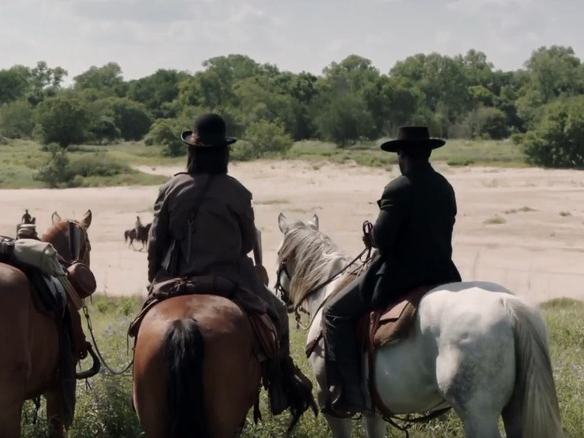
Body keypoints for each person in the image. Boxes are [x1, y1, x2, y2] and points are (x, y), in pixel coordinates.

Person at [145, 113, 315, 418]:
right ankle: (279, 386)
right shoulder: (237, 191)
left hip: (176, 279)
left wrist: (154, 282)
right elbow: (248, 243)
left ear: (192, 151)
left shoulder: (170, 188)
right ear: (224, 152)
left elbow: (156, 242)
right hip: (231, 279)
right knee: (277, 313)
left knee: (144, 325)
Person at [322, 126, 462, 416]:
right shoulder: (445, 186)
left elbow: (384, 240)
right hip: (442, 273)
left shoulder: (398, 188)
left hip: (400, 275)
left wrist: (372, 237)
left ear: (403, 155)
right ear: (427, 153)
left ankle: (350, 393)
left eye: (399, 154)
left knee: (333, 313)